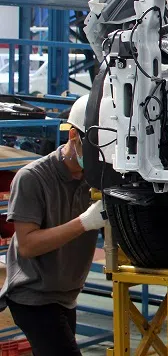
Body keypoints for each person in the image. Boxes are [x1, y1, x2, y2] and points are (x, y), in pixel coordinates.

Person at [0, 95, 106, 356]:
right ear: (73, 136)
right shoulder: (32, 178)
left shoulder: (95, 176)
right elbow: (27, 245)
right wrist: (85, 222)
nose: (98, 157)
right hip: (33, 296)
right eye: (93, 148)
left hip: (66, 295)